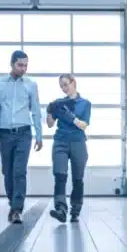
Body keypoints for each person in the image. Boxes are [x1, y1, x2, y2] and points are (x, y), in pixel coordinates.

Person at [0, 50, 43, 224]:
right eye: (20, 65)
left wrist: (39, 135)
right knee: (8, 171)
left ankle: (17, 209)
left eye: (26, 65)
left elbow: (35, 110)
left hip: (24, 134)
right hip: (5, 134)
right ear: (12, 64)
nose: (23, 68)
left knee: (19, 171)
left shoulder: (31, 85)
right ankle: (13, 203)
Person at [46, 74, 91, 223]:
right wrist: (50, 112)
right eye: (61, 86)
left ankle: (75, 210)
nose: (64, 88)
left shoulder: (85, 103)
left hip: (78, 142)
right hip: (60, 142)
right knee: (60, 175)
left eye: (66, 84)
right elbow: (50, 124)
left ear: (73, 83)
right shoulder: (59, 103)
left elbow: (84, 125)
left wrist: (70, 117)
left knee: (78, 178)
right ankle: (61, 209)